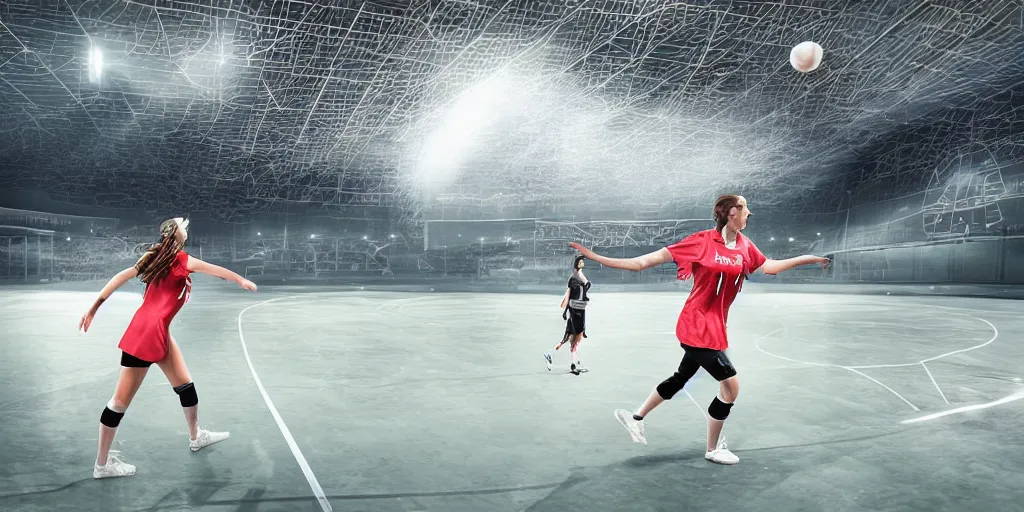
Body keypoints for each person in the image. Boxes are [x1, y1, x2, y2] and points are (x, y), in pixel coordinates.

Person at [569, 195, 829, 464]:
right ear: (731, 213)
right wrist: (597, 257)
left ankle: (634, 418)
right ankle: (713, 448)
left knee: (680, 377)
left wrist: (809, 258)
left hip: (715, 328)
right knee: (731, 385)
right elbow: (643, 262)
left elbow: (770, 266)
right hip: (695, 325)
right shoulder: (702, 242)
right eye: (744, 208)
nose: (749, 213)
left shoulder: (744, 246)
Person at [79, 217, 258, 479]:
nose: (187, 230)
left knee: (186, 386)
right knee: (118, 403)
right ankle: (102, 465)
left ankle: (196, 436)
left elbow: (120, 276)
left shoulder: (158, 258)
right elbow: (215, 270)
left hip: (158, 331)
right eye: (184, 227)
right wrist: (240, 280)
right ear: (175, 233)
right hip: (145, 334)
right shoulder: (181, 260)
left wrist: (94, 307)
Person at [544, 256, 590, 375]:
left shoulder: (580, 276)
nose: (582, 263)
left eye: (582, 262)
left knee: (569, 340)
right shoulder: (574, 279)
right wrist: (566, 312)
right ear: (576, 263)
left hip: (578, 312)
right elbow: (569, 296)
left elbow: (584, 290)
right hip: (575, 313)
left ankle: (573, 362)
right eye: (580, 262)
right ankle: (573, 363)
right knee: (573, 341)